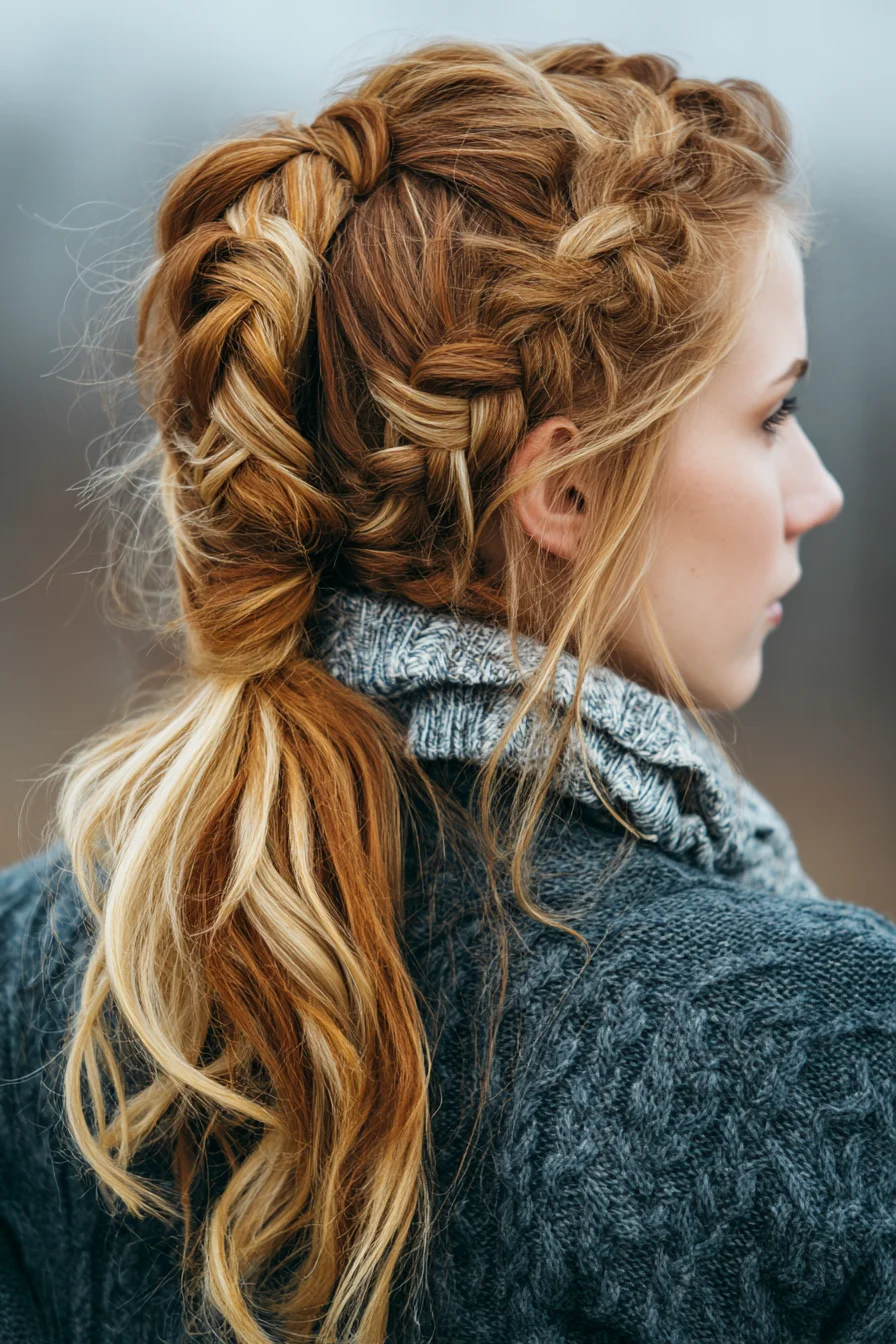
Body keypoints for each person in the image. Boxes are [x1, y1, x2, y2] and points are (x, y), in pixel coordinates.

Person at [1, 36, 892, 1344]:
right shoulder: (827, 1052)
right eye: (769, 416)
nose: (818, 494)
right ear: (565, 490)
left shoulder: (44, 982)